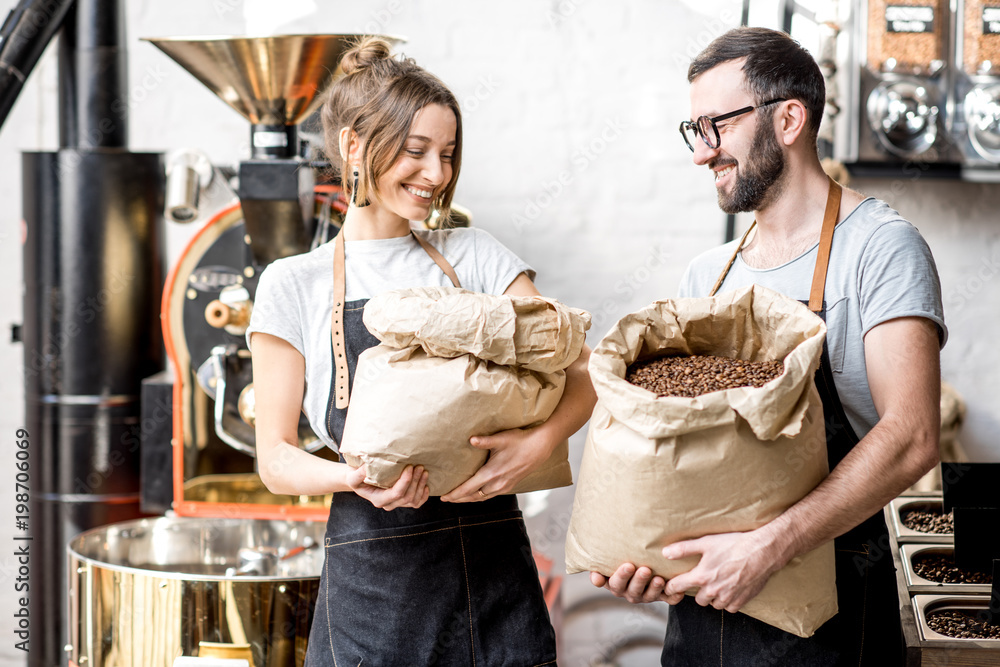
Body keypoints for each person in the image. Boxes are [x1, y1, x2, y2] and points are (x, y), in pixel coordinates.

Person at [591, 27, 945, 666]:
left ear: (788, 118)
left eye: (715, 126)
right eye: (692, 131)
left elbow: (913, 436)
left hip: (829, 611)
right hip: (704, 613)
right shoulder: (709, 276)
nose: (702, 154)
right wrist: (648, 553)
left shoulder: (880, 248)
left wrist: (767, 548)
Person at [248, 37, 595, 666]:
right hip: (371, 578)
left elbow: (582, 371)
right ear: (354, 146)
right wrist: (352, 479)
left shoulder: (475, 255)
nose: (436, 174)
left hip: (491, 569)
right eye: (416, 151)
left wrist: (541, 445)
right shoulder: (292, 284)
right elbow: (274, 457)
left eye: (448, 154)